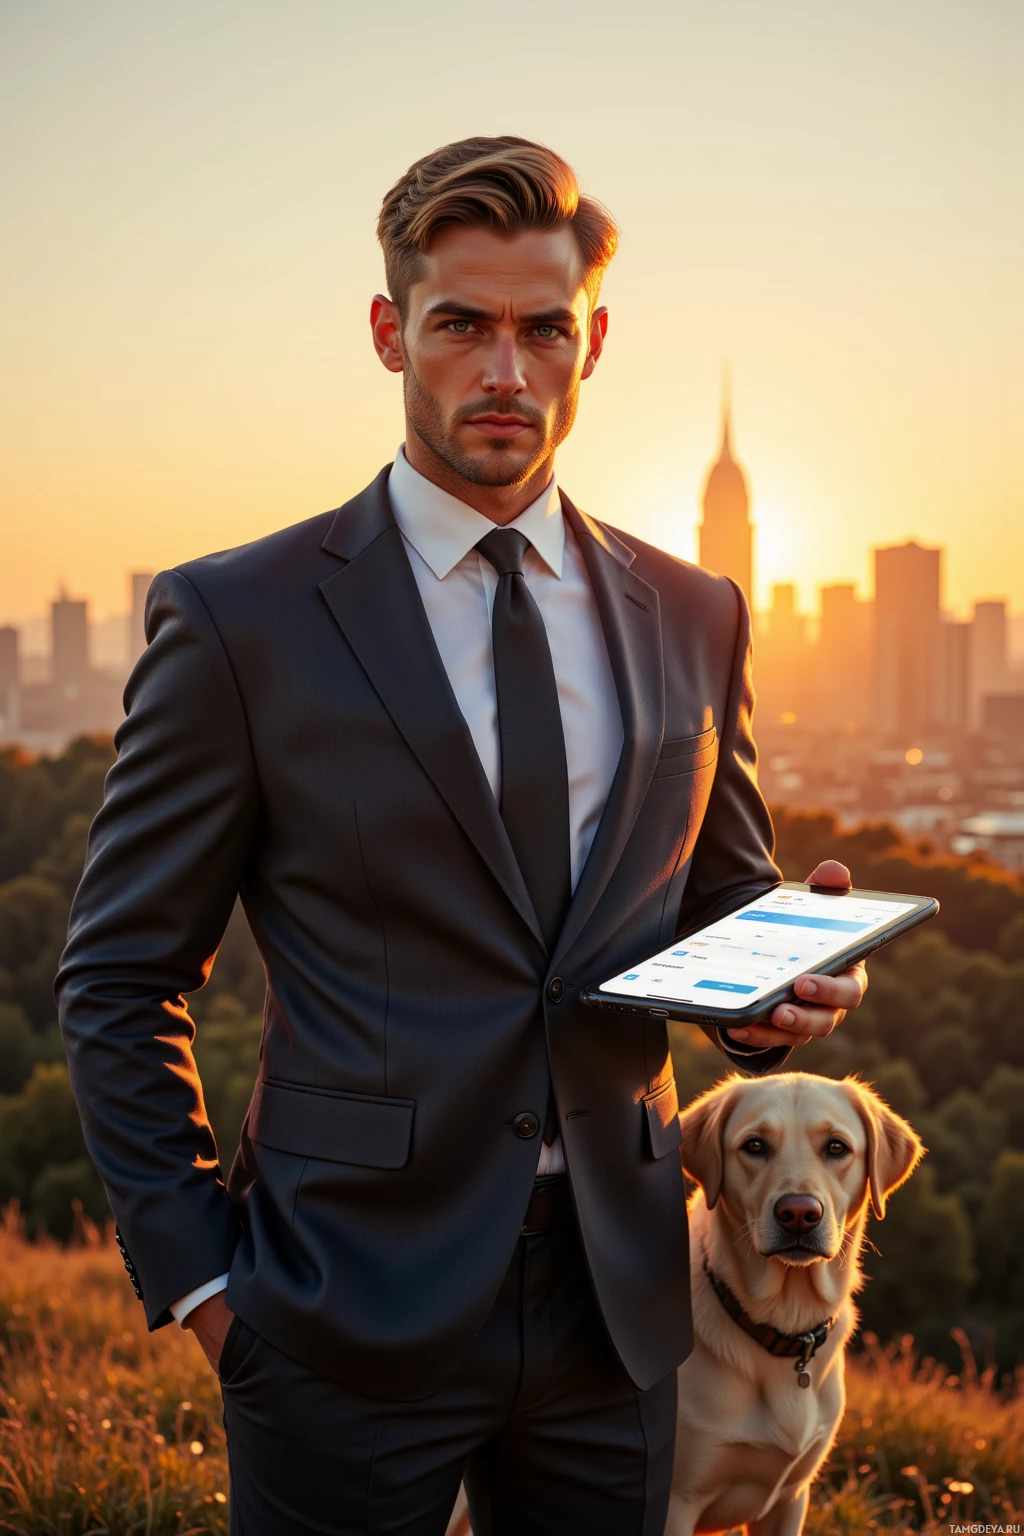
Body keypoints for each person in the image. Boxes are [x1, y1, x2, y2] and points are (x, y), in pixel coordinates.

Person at [57, 136, 866, 1535]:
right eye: (462, 327)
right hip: (335, 1302)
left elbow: (719, 908)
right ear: (391, 333)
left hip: (621, 1302)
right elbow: (121, 978)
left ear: (593, 340)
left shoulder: (695, 612)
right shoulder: (240, 621)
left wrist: (774, 997)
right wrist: (204, 1288)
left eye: (543, 328)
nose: (506, 370)